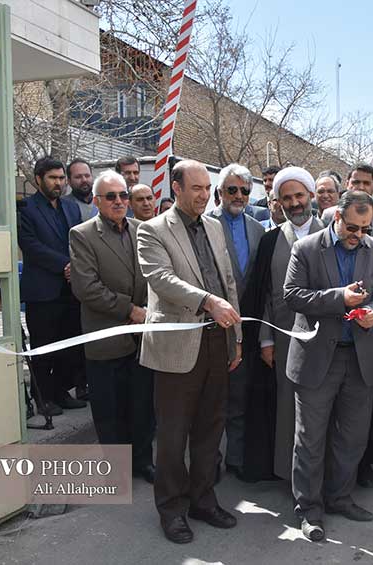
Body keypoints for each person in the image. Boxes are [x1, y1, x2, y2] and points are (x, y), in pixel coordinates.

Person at [136, 159, 243, 544]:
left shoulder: (213, 226)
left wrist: (236, 337)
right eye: (196, 188)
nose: (203, 195)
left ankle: (203, 500)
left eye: (207, 188)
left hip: (217, 341)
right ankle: (171, 509)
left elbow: (227, 282)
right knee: (172, 435)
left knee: (210, 430)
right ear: (176, 188)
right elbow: (161, 279)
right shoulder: (152, 230)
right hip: (177, 345)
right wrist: (207, 302)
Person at [284, 190, 373, 542]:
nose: (358, 235)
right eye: (352, 227)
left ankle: (340, 497)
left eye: (365, 229)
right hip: (317, 359)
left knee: (352, 437)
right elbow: (292, 294)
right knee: (310, 439)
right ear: (336, 217)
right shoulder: (306, 248)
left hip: (360, 359)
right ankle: (308, 509)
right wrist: (340, 298)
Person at [69, 169, 155, 484]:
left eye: (123, 195)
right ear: (96, 201)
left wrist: (149, 310)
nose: (119, 201)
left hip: (141, 338)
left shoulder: (142, 230)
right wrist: (130, 309)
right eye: (111, 196)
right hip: (106, 339)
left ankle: (143, 461)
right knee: (110, 410)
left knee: (142, 405)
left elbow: (154, 275)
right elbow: (87, 288)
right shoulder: (82, 235)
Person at [241, 166, 326, 481]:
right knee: (288, 408)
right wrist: (266, 340)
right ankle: (289, 474)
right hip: (284, 339)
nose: (294, 203)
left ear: (311, 195)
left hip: (328, 338)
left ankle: (325, 476)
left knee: (324, 409)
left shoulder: (332, 232)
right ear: (277, 201)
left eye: (299, 196)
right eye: (286, 198)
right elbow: (263, 295)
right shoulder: (271, 240)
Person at [207, 163, 266, 477]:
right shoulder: (204, 224)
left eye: (245, 190)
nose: (239, 196)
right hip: (212, 324)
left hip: (248, 326)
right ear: (219, 192)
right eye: (232, 189)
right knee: (212, 400)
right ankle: (210, 462)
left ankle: (236, 458)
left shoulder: (257, 228)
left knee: (240, 396)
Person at [18, 157, 88, 416]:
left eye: (61, 178)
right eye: (52, 178)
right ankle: (43, 397)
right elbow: (31, 245)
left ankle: (61, 392)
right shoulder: (26, 208)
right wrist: (64, 265)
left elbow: (78, 241)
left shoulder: (70, 208)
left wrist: (75, 267)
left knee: (68, 346)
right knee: (43, 347)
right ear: (39, 179)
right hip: (43, 291)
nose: (58, 183)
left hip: (70, 290)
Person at [321, 163, 373, 239]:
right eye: (356, 182)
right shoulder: (329, 215)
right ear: (347, 184)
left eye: (366, 183)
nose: (361, 187)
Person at [63, 158, 97, 222]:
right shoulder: (62, 206)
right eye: (78, 177)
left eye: (87, 176)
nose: (84, 180)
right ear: (69, 181)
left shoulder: (104, 201)